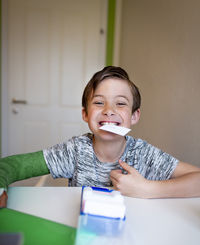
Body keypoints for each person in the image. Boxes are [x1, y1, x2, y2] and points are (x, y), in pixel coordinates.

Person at [1, 66, 200, 208]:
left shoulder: (145, 155)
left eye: (120, 103)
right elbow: (11, 166)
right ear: (85, 114)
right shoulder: (74, 151)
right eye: (98, 102)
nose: (109, 111)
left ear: (134, 116)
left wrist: (147, 189)